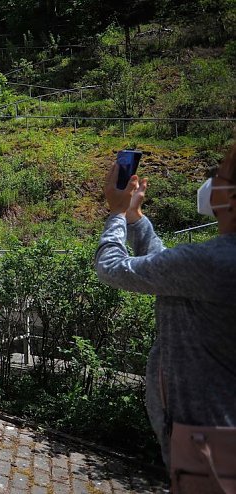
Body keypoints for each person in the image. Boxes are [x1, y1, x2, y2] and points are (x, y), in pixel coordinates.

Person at [95, 143, 236, 468]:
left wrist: (116, 213)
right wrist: (136, 218)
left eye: (219, 175)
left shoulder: (213, 261)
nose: (212, 181)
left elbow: (111, 267)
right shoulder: (211, 262)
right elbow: (169, 268)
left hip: (210, 446)